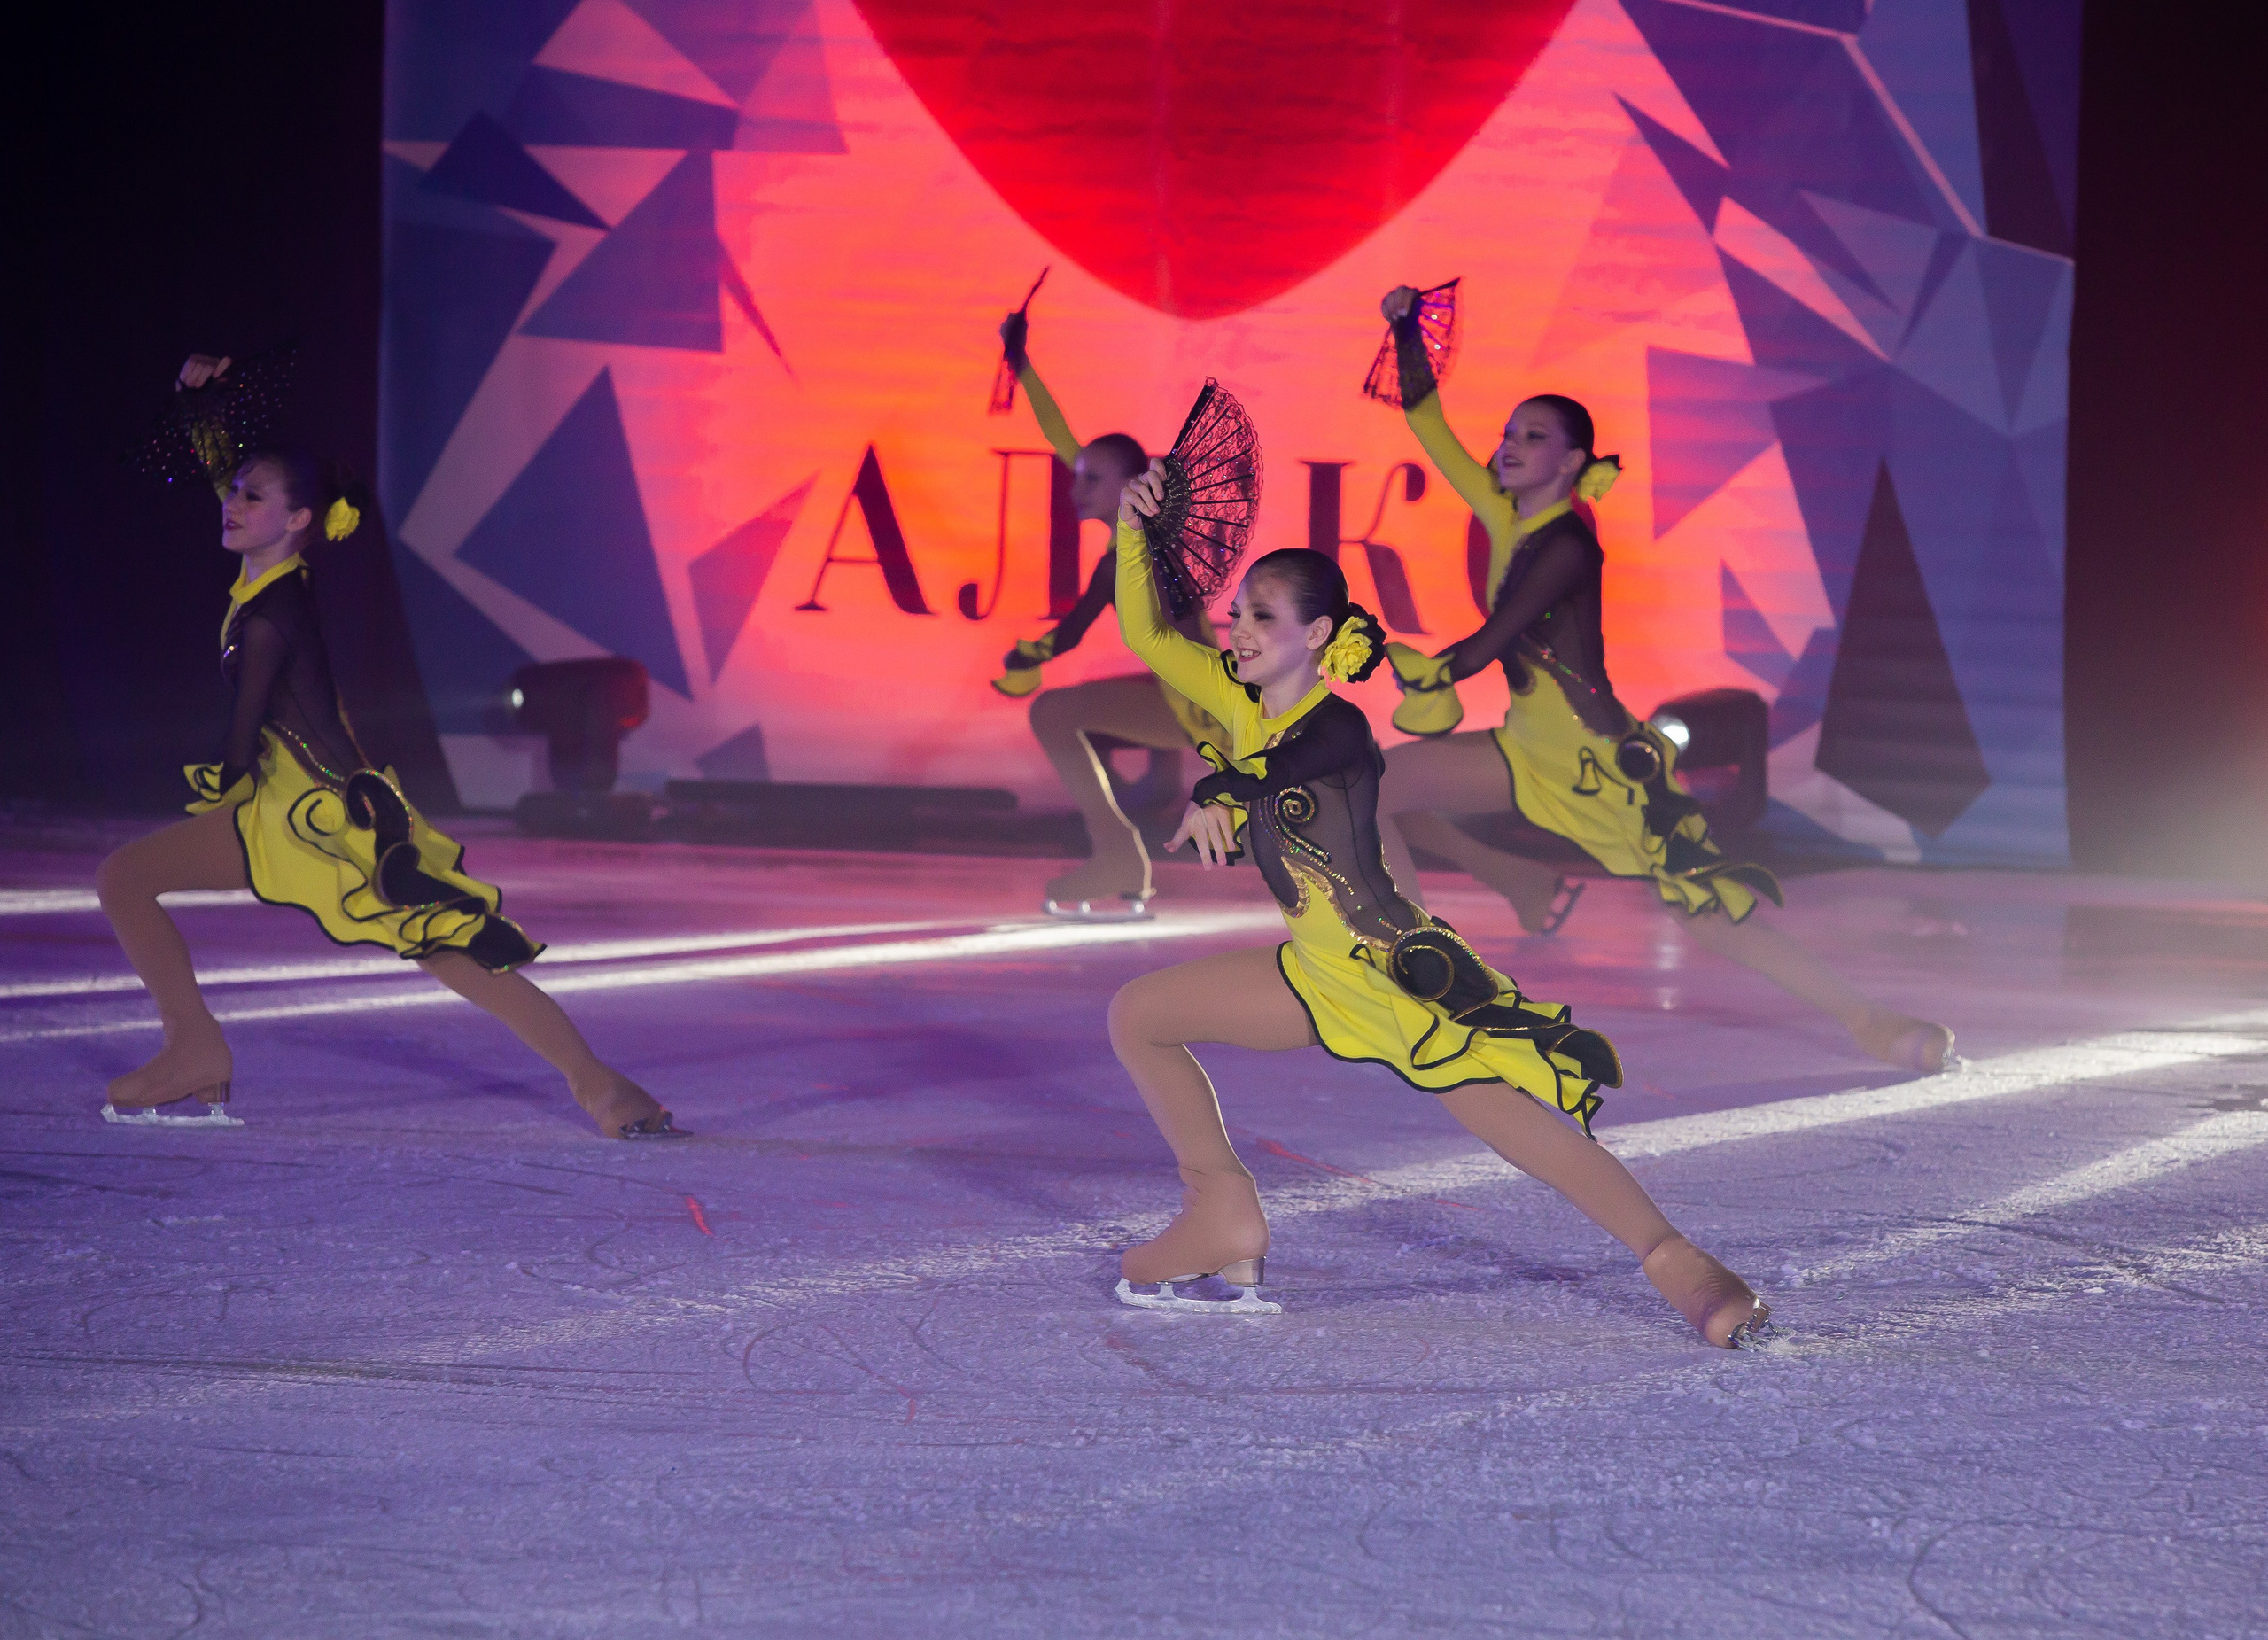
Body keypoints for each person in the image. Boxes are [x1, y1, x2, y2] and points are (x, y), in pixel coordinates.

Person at [1104, 458, 1770, 1348]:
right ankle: (1220, 1210)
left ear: (1318, 633)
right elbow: (1146, 634)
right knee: (1140, 1014)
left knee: (1511, 1120)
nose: (1240, 629)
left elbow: (1288, 764)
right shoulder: (1239, 697)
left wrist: (1217, 789)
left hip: (1393, 970)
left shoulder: (1336, 726)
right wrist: (1129, 529)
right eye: (1237, 615)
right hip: (1320, 971)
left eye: (1263, 616)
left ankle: (1682, 1265)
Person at [94, 354, 682, 1139]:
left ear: (297, 521)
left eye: (251, 496)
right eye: (233, 490)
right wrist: (198, 402)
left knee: (441, 947)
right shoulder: (268, 573)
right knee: (128, 877)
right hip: (300, 803)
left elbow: (240, 739)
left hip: (325, 815)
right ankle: (193, 1047)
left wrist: (214, 782)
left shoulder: (272, 615)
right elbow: (221, 474)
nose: (231, 502)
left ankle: (603, 1086)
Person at [1371, 287, 1955, 1073]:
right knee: (1372, 786)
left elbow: (1499, 636)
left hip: (1598, 763)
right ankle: (1426, 976)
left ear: (1570, 464)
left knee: (1710, 916)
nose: (1509, 445)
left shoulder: (1568, 544)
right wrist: (1407, 331)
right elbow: (1426, 421)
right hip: (1527, 746)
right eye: (1508, 432)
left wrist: (1436, 669)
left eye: (1533, 437)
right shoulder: (1503, 512)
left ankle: (1869, 1018)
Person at [989, 310, 1229, 919]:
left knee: (1051, 712)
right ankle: (1134, 829)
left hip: (1199, 708)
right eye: (1078, 477)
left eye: (1093, 479)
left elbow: (1072, 634)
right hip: (1194, 691)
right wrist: (1021, 364)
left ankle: (1118, 851)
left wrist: (1032, 654)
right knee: (1078, 708)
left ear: (1131, 485)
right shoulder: (1138, 533)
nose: (1077, 488)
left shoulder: (1139, 550)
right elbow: (1062, 436)